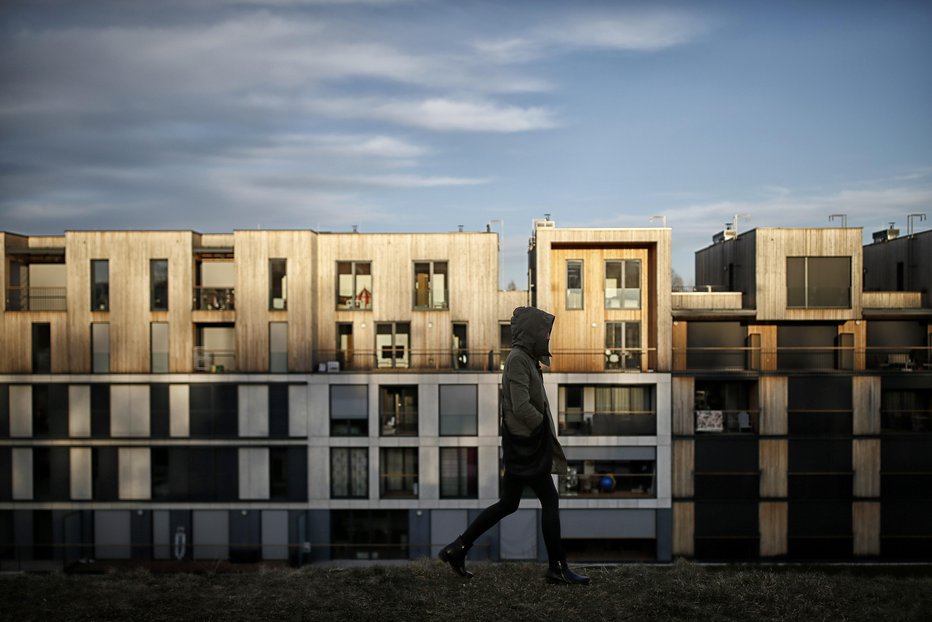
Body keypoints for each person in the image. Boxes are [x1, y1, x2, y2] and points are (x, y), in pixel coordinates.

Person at [439, 306, 590, 585]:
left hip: (523, 446)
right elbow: (521, 406)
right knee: (549, 500)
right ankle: (557, 568)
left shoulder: (526, 359)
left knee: (508, 503)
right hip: (528, 446)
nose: (546, 337)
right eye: (543, 332)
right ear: (531, 333)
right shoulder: (518, 360)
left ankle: (457, 548)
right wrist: (542, 427)